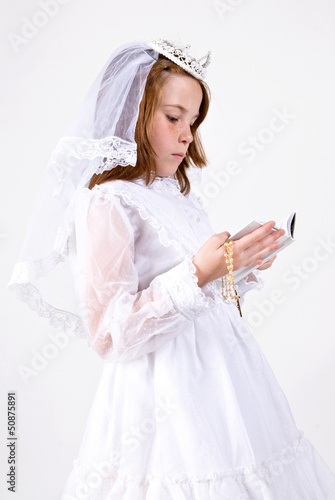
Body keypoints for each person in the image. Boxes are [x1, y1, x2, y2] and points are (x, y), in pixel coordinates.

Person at [8, 39, 335, 499]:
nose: (187, 134)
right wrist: (200, 272)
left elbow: (195, 287)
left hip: (221, 384)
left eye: (193, 121)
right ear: (134, 114)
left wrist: (237, 262)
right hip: (163, 395)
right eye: (173, 117)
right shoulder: (108, 202)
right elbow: (109, 333)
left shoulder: (171, 192)